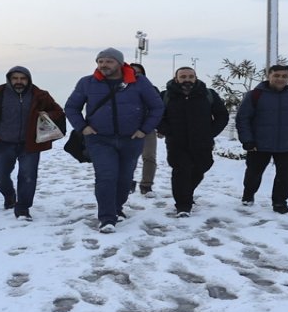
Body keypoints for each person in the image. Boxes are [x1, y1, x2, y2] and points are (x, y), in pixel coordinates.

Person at [64, 48, 164, 233]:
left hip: (131, 140)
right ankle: (107, 218)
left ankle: (117, 208)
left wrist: (144, 130)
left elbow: (157, 106)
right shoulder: (87, 83)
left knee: (124, 179)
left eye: (108, 61)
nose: (103, 65)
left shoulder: (138, 82)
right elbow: (71, 107)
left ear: (119, 63)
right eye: (100, 61)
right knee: (106, 177)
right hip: (99, 140)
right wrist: (83, 127)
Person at [0, 66, 65, 222]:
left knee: (28, 177)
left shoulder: (39, 95)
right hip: (2, 143)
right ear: (9, 79)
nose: (19, 82)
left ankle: (23, 209)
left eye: (22, 78)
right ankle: (9, 195)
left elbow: (58, 111)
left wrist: (47, 114)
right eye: (15, 78)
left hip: (29, 144)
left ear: (28, 80)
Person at [157, 66, 229, 218]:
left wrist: (210, 133)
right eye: (183, 77)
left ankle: (186, 193)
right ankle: (183, 205)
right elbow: (157, 116)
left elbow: (222, 115)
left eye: (190, 76)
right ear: (176, 78)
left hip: (202, 142)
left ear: (195, 78)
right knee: (181, 171)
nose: (187, 80)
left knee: (203, 166)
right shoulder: (166, 95)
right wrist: (167, 130)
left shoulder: (208, 94)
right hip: (176, 143)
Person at [235, 64, 288, 215]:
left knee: (284, 176)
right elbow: (243, 118)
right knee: (253, 173)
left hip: (287, 144)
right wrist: (247, 140)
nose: (280, 79)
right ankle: (248, 194)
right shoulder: (255, 95)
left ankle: (280, 203)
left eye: (284, 76)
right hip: (259, 144)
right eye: (276, 75)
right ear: (269, 76)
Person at [127, 62, 159, 198]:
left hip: (147, 128)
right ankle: (127, 182)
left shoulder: (152, 89)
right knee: (128, 158)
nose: (135, 74)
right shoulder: (119, 89)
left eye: (138, 72)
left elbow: (158, 108)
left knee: (149, 156)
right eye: (132, 71)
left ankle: (146, 185)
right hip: (126, 129)